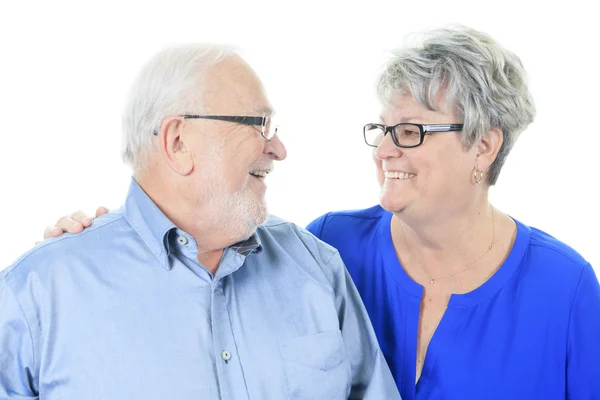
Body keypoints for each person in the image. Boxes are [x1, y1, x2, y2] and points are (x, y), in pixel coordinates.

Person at [41, 26, 600, 399]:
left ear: (484, 146)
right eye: (382, 130)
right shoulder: (331, 246)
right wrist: (115, 241)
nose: (384, 150)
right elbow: (206, 254)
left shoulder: (566, 287)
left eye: (409, 131)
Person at [0, 44, 400, 399]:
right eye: (260, 124)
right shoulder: (36, 293)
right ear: (178, 142)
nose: (278, 148)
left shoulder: (316, 265)